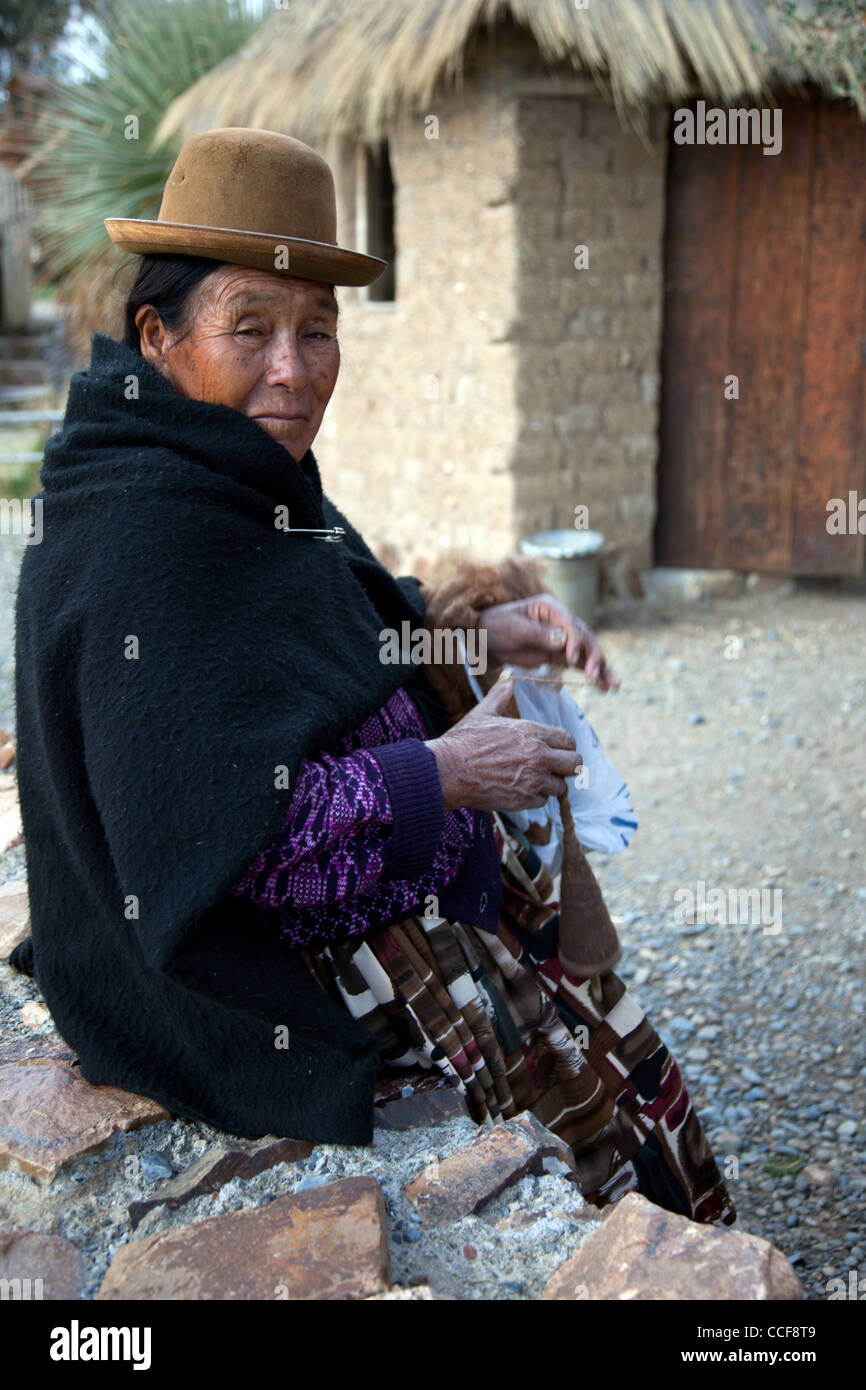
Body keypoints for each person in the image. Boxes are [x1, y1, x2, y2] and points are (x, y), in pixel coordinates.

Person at [12, 127, 735, 1225]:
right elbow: (229, 846)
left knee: (623, 1124)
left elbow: (334, 621)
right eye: (248, 328)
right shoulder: (141, 544)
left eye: (317, 331)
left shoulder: (235, 471)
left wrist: (472, 634)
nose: (293, 371)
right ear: (157, 337)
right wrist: (439, 772)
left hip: (427, 918)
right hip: (319, 978)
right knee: (561, 1182)